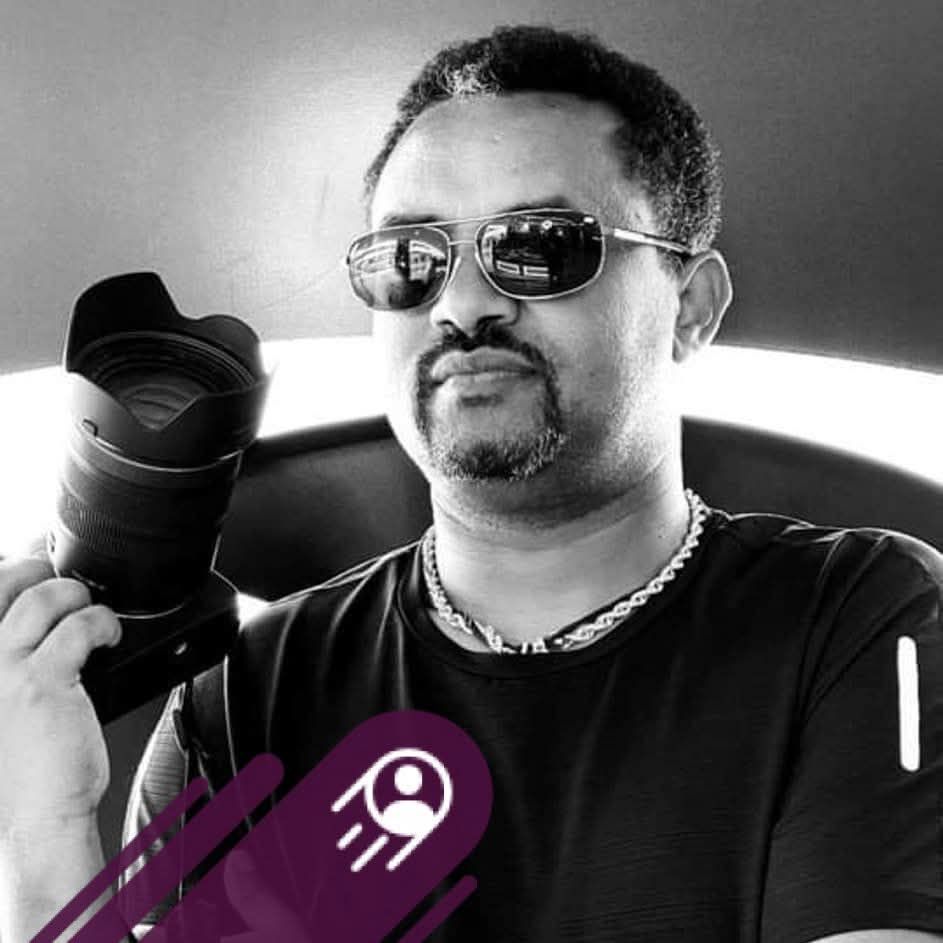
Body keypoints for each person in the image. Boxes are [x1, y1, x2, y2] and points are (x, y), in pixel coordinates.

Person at [1, 23, 941, 943]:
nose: (462, 303)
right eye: (410, 262)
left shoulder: (860, 615)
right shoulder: (245, 692)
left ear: (689, 308)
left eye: (538, 245)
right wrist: (45, 828)